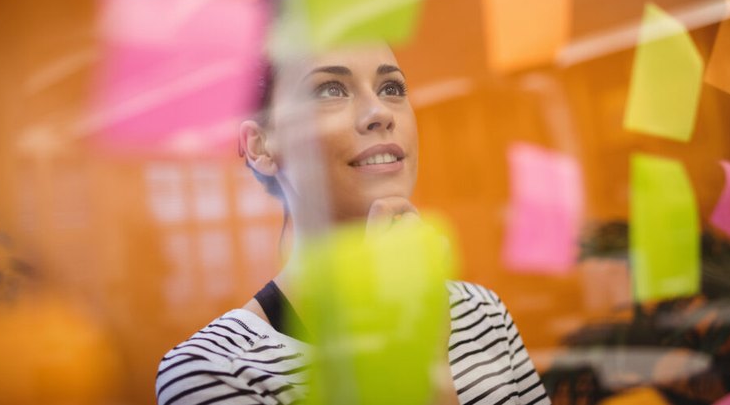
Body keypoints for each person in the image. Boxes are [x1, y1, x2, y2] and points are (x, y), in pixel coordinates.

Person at [155, 42, 551, 405]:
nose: (379, 112)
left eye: (392, 88)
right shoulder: (216, 370)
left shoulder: (483, 313)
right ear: (261, 146)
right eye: (329, 90)